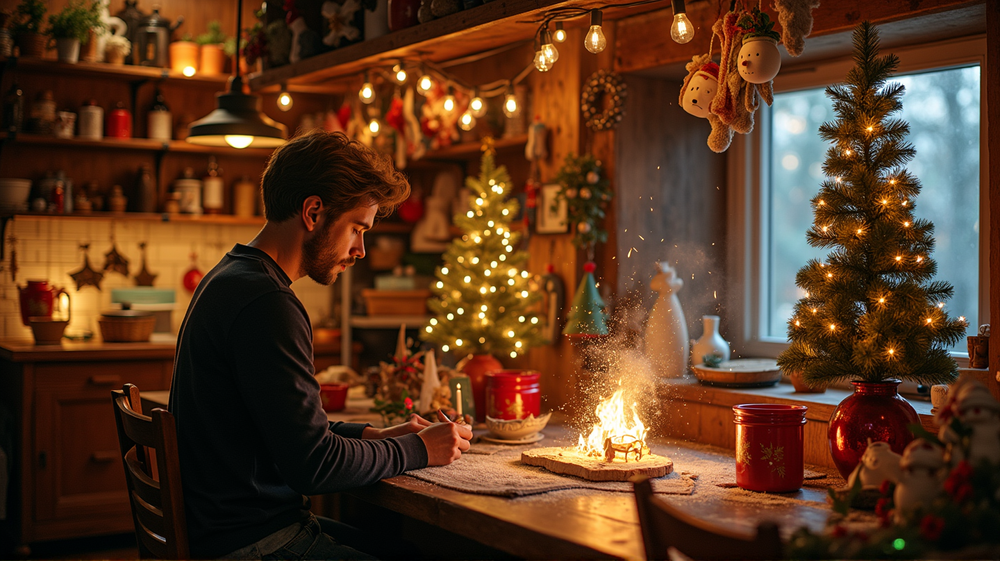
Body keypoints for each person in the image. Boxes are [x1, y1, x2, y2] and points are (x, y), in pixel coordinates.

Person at [168, 131, 472, 560]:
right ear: (313, 212)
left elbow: (285, 431)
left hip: (235, 530)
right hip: (253, 543)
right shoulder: (268, 304)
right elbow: (313, 465)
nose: (361, 250)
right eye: (356, 229)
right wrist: (420, 448)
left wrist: (375, 435)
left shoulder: (232, 276)